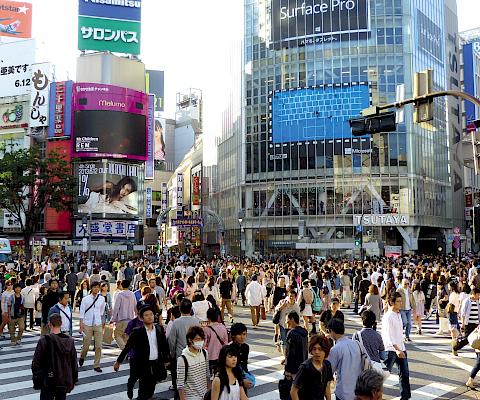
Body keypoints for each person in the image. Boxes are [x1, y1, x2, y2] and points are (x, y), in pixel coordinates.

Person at [114, 306, 169, 400]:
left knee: (151, 387)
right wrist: (118, 361)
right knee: (143, 390)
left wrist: (166, 360)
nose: (150, 317)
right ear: (141, 318)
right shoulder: (137, 332)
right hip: (143, 364)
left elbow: (164, 346)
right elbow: (128, 347)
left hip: (156, 363)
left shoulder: (159, 329)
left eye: (151, 314)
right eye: (146, 315)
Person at [32, 313, 78, 400]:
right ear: (61, 324)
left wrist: (37, 378)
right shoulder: (69, 341)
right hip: (63, 380)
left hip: (48, 380)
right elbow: (73, 362)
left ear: (50, 324)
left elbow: (36, 363)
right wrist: (74, 379)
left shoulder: (44, 341)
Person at [168, 299, 201, 397]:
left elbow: (172, 341)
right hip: (194, 353)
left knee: (180, 380)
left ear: (180, 309)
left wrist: (172, 354)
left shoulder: (176, 322)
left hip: (180, 354)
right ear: (190, 309)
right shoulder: (196, 321)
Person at [381, 291, 411, 400]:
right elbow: (388, 336)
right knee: (383, 375)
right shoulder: (388, 316)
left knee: (405, 375)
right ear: (392, 302)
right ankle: (373, 394)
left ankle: (405, 397)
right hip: (391, 350)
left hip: (401, 348)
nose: (400, 303)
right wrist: (397, 349)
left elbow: (398, 334)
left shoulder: (398, 314)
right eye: (398, 301)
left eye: (401, 301)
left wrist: (402, 347)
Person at [327, 318, 363, 400]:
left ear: (332, 331)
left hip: (343, 392)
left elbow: (328, 371)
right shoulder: (357, 344)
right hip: (359, 391)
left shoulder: (335, 349)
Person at [290, 334, 333, 400]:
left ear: (325, 351)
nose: (316, 352)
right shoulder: (305, 368)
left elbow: (327, 386)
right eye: (314, 349)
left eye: (320, 349)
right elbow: (293, 391)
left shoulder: (327, 365)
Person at [177, 325, 211, 400]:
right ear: (190, 340)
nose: (200, 342)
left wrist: (209, 392)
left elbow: (207, 374)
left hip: (204, 395)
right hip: (191, 397)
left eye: (202, 339)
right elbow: (180, 384)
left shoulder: (205, 353)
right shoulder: (183, 359)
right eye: (197, 339)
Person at [79, 281, 106, 372]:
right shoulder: (86, 299)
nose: (96, 289)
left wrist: (102, 323)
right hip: (87, 323)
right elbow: (82, 312)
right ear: (91, 288)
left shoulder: (102, 299)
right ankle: (82, 356)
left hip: (97, 323)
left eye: (98, 287)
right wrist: (81, 324)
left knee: (98, 345)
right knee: (86, 345)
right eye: (94, 287)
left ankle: (96, 365)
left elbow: (102, 311)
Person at [111, 279, 137, 350]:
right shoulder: (132, 294)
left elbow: (116, 308)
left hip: (121, 319)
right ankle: (128, 351)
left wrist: (113, 319)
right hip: (131, 319)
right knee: (126, 337)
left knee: (116, 335)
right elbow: (135, 306)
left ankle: (125, 351)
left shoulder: (120, 294)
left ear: (121, 285)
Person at [284, 311, 308, 380]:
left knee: (292, 389)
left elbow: (290, 353)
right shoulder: (304, 332)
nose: (286, 322)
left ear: (292, 319)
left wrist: (287, 369)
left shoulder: (292, 333)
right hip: (303, 366)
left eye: (287, 320)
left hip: (293, 369)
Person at [204, 307, 229, 375]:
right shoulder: (223, 327)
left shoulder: (206, 329)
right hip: (221, 355)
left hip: (210, 356)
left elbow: (204, 344)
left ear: (208, 317)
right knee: (219, 375)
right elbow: (226, 342)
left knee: (210, 375)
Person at [454, 288, 480, 352]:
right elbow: (463, 313)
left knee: (477, 338)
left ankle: (477, 353)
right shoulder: (466, 301)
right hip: (468, 323)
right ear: (473, 294)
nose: (478, 296)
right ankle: (455, 347)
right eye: (478, 295)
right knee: (467, 339)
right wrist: (462, 323)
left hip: (476, 323)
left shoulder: (477, 301)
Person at [230, 323, 253, 390]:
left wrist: (246, 377)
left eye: (244, 334)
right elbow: (231, 369)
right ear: (233, 335)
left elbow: (244, 364)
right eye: (239, 334)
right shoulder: (229, 349)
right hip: (233, 381)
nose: (242, 337)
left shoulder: (246, 347)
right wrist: (241, 380)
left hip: (243, 377)